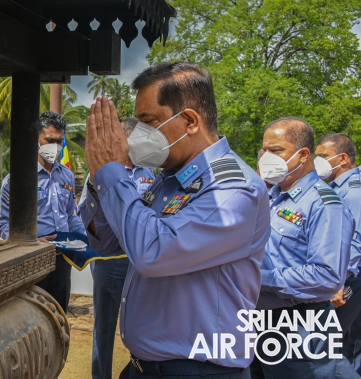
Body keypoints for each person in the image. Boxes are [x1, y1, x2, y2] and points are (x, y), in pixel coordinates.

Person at [82, 62, 269, 378]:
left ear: (190, 121)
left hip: (199, 370)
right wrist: (99, 183)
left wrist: (112, 173)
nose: (138, 135)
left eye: (148, 121)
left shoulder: (232, 187)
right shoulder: (168, 178)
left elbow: (152, 252)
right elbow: (108, 241)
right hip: (144, 367)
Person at [252, 119, 353, 378]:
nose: (266, 158)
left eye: (276, 151)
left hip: (301, 326)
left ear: (303, 154)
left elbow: (327, 277)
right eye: (265, 150)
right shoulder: (271, 196)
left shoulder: (325, 204)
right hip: (259, 323)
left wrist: (254, 278)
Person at [78, 117, 156, 379]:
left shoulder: (149, 172)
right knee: (105, 326)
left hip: (142, 262)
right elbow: (88, 220)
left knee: (145, 322)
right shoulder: (99, 172)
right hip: (110, 260)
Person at [0, 110, 85, 312]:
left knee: (60, 316)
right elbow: (3, 224)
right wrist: (31, 243)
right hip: (31, 260)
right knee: (31, 316)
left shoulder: (67, 177)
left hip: (63, 259)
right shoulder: (17, 179)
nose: (55, 146)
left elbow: (71, 215)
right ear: (35, 140)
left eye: (60, 141)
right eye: (49, 140)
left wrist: (83, 239)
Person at [315, 133, 361, 374]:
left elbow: (355, 242)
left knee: (334, 344)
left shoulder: (353, 191)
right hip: (342, 278)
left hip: (348, 280)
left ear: (342, 158)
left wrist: (339, 281)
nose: (317, 161)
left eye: (322, 156)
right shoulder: (335, 188)